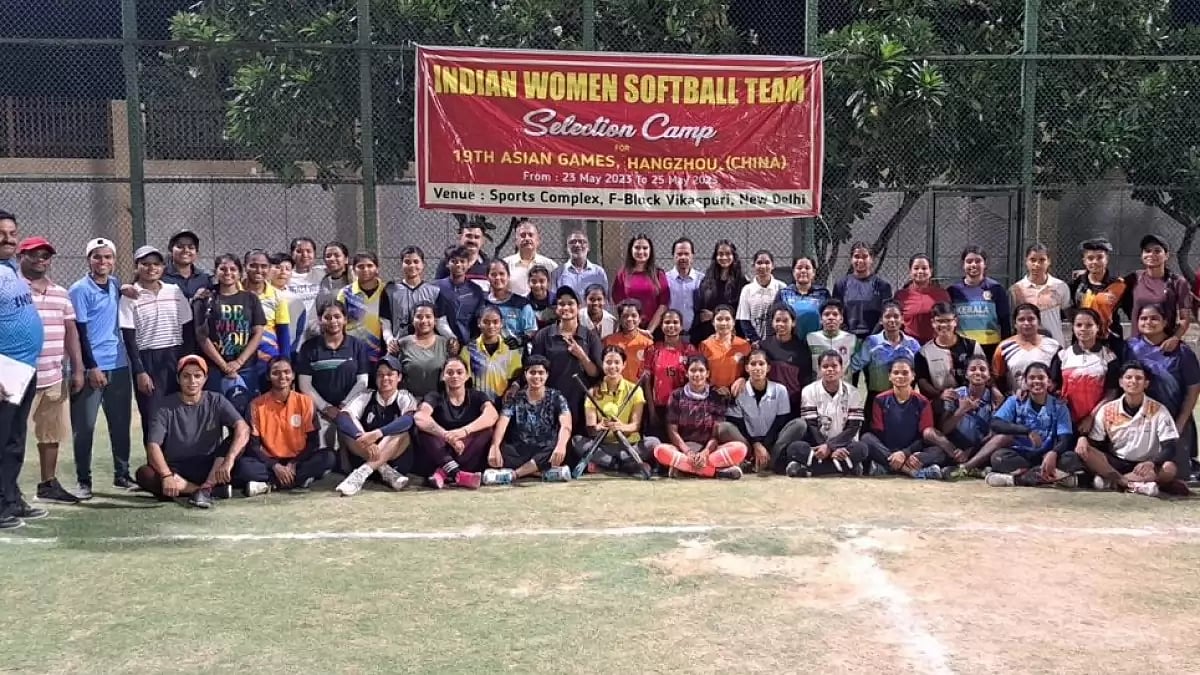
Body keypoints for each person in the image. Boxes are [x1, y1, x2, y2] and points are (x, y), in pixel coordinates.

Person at [133, 355, 250, 509]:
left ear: (205, 378)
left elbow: (243, 427)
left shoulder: (216, 400)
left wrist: (229, 460)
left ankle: (199, 488)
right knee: (144, 474)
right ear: (178, 379)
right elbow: (153, 445)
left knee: (242, 457)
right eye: (186, 376)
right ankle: (204, 491)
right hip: (178, 469)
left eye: (197, 376)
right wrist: (167, 475)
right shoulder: (164, 407)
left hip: (211, 466)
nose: (192, 381)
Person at [19, 237, 84, 504]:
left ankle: (47, 485)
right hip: (18, 378)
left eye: (45, 256)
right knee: (10, 436)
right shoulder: (12, 289)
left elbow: (71, 332)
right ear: (21, 256)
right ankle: (7, 489)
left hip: (53, 377)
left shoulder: (61, 292)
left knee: (51, 433)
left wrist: (77, 369)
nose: (40, 259)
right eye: (34, 254)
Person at [70, 237, 135, 496]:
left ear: (114, 260)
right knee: (84, 428)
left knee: (120, 424)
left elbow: (121, 291)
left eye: (107, 257)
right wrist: (91, 367)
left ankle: (122, 475)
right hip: (91, 368)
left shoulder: (115, 284)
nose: (103, 261)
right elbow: (79, 332)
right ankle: (83, 481)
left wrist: (125, 288)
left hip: (119, 365)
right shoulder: (79, 289)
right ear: (89, 260)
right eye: (97, 257)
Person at [1078, 361, 1184, 497]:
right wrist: (1082, 439)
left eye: (1139, 378)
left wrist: (1152, 462)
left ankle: (1112, 483)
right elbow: (1095, 443)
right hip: (1116, 462)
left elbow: (1170, 446)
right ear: (1121, 382)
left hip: (1145, 465)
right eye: (1128, 377)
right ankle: (1129, 484)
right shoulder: (1107, 409)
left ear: (1146, 384)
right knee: (1084, 450)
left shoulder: (1159, 410)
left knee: (1169, 468)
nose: (1133, 381)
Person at [119, 245, 193, 442]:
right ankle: (156, 468)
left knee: (178, 413)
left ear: (162, 267)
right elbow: (129, 337)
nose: (151, 268)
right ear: (137, 267)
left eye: (156, 264)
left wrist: (185, 361)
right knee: (153, 417)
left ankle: (176, 466)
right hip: (148, 359)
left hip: (175, 357)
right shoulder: (130, 296)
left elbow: (187, 328)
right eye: (145, 264)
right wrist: (140, 371)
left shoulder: (174, 291)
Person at [0, 233, 47, 528]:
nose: (8, 238)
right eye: (1, 233)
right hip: (4, 371)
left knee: (14, 441)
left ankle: (10, 497)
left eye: (12, 233)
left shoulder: (9, 269)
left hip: (23, 369)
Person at [236, 357, 336, 496]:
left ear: (293, 375)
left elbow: (314, 442)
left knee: (329, 457)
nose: (282, 376)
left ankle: (271, 485)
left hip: (298, 460)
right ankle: (298, 480)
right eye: (276, 373)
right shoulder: (256, 405)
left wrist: (293, 464)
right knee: (243, 467)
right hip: (270, 462)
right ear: (268, 377)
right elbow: (253, 447)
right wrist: (275, 466)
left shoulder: (305, 402)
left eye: (287, 372)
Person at [1125, 303, 1200, 477]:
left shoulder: (1182, 351)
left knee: (1175, 474)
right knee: (1138, 466)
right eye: (1143, 318)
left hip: (1174, 420)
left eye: (1154, 318)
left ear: (1165, 322)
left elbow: (1193, 389)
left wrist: (1181, 422)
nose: (1148, 322)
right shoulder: (1130, 347)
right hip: (1140, 421)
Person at [983, 362, 1081, 488]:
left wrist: (1054, 452)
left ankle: (1018, 479)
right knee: (998, 457)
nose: (1036, 381)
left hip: (1048, 456)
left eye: (1041, 378)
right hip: (1021, 456)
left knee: (1070, 458)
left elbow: (1065, 438)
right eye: (1032, 378)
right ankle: (1053, 478)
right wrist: (1026, 431)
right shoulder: (1015, 401)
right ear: (1025, 382)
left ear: (1049, 382)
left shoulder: (1059, 406)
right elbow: (995, 423)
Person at [332, 355, 419, 496]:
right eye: (380, 375)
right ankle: (383, 469)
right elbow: (342, 417)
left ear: (399, 377)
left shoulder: (404, 396)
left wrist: (377, 433)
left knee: (402, 431)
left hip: (396, 462)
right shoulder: (365, 396)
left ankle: (361, 474)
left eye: (390, 374)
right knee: (347, 427)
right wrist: (362, 438)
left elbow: (409, 420)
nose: (385, 379)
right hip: (366, 455)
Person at [296, 301, 371, 456]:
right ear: (320, 320)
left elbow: (363, 381)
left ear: (345, 319)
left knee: (357, 447)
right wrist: (325, 407)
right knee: (324, 455)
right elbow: (305, 385)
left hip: (350, 408)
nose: (333, 321)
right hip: (320, 411)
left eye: (337, 316)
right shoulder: (309, 347)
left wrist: (344, 406)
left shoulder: (358, 346)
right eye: (327, 317)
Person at [652, 355, 748, 479]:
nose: (697, 374)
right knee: (659, 450)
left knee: (740, 448)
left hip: (710, 449)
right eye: (693, 370)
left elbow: (716, 433)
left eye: (701, 370)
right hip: (684, 448)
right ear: (686, 373)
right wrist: (688, 452)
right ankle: (716, 472)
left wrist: (705, 453)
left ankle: (685, 469)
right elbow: (672, 430)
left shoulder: (716, 396)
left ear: (707, 373)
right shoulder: (676, 396)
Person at [571, 346, 658, 478]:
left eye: (617, 362)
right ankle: (625, 466)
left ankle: (608, 466)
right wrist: (599, 427)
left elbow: (635, 426)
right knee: (577, 441)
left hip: (629, 445)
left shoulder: (635, 390)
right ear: (602, 364)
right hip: (603, 447)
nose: (612, 367)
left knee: (654, 442)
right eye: (608, 362)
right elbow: (591, 430)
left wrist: (621, 427)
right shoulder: (592, 392)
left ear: (624, 365)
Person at [484, 355, 574, 484]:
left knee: (561, 444)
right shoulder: (515, 397)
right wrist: (495, 446)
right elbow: (502, 422)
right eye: (532, 372)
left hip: (545, 448)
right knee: (500, 452)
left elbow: (566, 425)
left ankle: (515, 474)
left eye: (541, 372)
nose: (536, 376)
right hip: (521, 448)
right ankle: (539, 472)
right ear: (525, 374)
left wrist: (560, 446)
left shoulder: (557, 397)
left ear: (547, 375)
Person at [194, 254, 265, 412]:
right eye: (223, 269)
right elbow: (202, 336)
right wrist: (223, 365)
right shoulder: (205, 299)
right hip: (215, 368)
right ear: (216, 272)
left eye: (233, 269)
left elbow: (258, 331)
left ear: (240, 273)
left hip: (246, 367)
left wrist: (239, 362)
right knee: (214, 416)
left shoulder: (250, 299)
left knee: (245, 415)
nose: (228, 272)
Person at [527, 285, 602, 435]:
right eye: (561, 304)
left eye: (570, 303)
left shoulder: (589, 336)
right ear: (556, 308)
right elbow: (534, 369)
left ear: (578, 306)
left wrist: (581, 355)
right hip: (550, 402)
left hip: (580, 401)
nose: (566, 307)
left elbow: (596, 374)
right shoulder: (544, 335)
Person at [414, 358, 497, 489]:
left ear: (467, 376)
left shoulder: (477, 396)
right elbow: (420, 417)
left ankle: (443, 472)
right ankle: (457, 474)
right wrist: (446, 435)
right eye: (450, 372)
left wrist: (463, 432)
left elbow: (492, 415)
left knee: (487, 430)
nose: (455, 376)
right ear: (443, 376)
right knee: (423, 431)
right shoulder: (435, 396)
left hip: (466, 452)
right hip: (440, 450)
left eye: (459, 372)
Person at [784, 350, 868, 478]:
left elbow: (853, 427)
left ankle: (809, 470)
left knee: (862, 449)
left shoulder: (853, 393)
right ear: (819, 369)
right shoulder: (809, 391)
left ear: (842, 369)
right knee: (794, 448)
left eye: (834, 366)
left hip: (843, 445)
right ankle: (844, 468)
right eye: (825, 366)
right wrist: (825, 448)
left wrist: (831, 447)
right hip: (817, 446)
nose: (830, 370)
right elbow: (811, 425)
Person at [860, 359, 947, 479]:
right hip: (888, 450)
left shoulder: (923, 402)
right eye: (896, 373)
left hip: (911, 451)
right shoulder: (880, 400)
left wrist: (905, 453)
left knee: (939, 452)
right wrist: (895, 454)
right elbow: (878, 433)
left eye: (905, 373)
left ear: (913, 376)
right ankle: (910, 471)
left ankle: (887, 467)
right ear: (889, 376)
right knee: (866, 438)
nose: (900, 376)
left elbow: (924, 436)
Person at [726, 350, 808, 473]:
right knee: (724, 427)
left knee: (800, 424)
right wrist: (756, 445)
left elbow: (780, 423)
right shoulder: (738, 390)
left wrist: (764, 447)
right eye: (753, 364)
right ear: (747, 368)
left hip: (773, 442)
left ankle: (768, 460)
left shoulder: (780, 390)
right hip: (749, 442)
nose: (757, 368)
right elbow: (739, 424)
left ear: (768, 367)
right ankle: (750, 459)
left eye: (761, 363)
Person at [1049, 308, 1119, 433]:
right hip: (1065, 418)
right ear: (1073, 328)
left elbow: (1111, 393)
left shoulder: (1109, 357)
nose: (1083, 329)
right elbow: (1053, 386)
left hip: (1098, 419)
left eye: (1089, 325)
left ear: (1097, 327)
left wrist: (1092, 417)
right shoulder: (1062, 355)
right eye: (1079, 325)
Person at [851, 300, 921, 416]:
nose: (892, 320)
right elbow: (854, 365)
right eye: (887, 317)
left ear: (902, 319)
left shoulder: (912, 344)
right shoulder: (871, 342)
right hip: (876, 398)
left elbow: (921, 370)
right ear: (881, 320)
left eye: (896, 316)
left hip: (905, 399)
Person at [1123, 233, 1192, 348]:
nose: (1151, 254)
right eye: (1147, 251)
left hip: (1164, 347)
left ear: (1166, 255)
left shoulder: (1178, 282)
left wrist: (1175, 338)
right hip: (1137, 347)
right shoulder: (1133, 278)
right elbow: (1109, 288)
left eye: (1157, 251)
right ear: (1142, 255)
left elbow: (1185, 318)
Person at [940, 355, 1001, 480]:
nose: (978, 372)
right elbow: (944, 430)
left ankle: (971, 466)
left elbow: (992, 434)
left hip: (979, 449)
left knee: (998, 454)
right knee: (936, 450)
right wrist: (961, 410)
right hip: (955, 447)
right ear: (966, 375)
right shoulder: (955, 394)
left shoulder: (995, 398)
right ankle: (967, 465)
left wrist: (970, 451)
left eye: (983, 369)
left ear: (989, 376)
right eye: (973, 369)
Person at [914, 302, 985, 407]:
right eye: (939, 321)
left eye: (948, 321)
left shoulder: (972, 346)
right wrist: (940, 394)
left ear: (955, 321)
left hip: (973, 398)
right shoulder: (923, 353)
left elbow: (984, 371)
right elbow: (922, 381)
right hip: (942, 401)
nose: (943, 325)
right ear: (933, 322)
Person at [948, 245, 1010, 362]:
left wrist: (1003, 348)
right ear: (963, 264)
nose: (973, 265)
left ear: (985, 264)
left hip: (991, 346)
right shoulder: (953, 291)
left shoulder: (996, 289)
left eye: (978, 261)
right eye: (969, 261)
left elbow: (1005, 322)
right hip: (963, 347)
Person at [642, 309, 697, 437]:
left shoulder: (689, 350)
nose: (671, 326)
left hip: (682, 408)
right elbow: (647, 382)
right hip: (659, 408)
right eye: (667, 322)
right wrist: (651, 412)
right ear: (661, 326)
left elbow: (696, 381)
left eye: (675, 322)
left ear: (681, 326)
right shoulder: (653, 350)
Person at [1070, 237, 1126, 353]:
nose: (1094, 261)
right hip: (1081, 339)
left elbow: (1132, 310)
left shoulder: (1118, 285)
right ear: (1084, 261)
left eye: (1100, 257)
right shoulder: (1076, 283)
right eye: (1090, 258)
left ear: (1107, 259)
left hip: (1110, 342)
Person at [833, 241, 893, 346]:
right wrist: (848, 336)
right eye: (856, 256)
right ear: (851, 259)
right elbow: (837, 313)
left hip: (875, 340)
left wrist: (872, 338)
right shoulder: (841, 285)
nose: (860, 260)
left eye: (865, 256)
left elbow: (884, 316)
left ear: (872, 259)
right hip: (847, 340)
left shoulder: (883, 286)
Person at [992, 303, 1061, 395]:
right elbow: (997, 379)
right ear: (1015, 324)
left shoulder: (1054, 347)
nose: (1026, 323)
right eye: (1021, 319)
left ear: (1039, 322)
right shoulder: (1004, 348)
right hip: (1016, 402)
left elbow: (1059, 379)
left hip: (1047, 402)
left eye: (1031, 319)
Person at [336, 252, 392, 365]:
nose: (365, 269)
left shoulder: (388, 290)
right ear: (353, 269)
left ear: (377, 268)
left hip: (383, 353)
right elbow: (339, 322)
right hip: (354, 352)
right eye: (360, 266)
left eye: (370, 266)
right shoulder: (346, 293)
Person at [1010, 243, 1071, 346]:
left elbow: (1069, 316)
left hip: (1055, 345)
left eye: (1042, 260)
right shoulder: (1016, 289)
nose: (1037, 264)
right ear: (1026, 261)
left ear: (1049, 261)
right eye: (1032, 260)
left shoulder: (1060, 286)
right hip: (1026, 346)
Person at [461, 306, 522, 403]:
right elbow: (464, 380)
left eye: (495, 322)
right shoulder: (468, 349)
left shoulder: (511, 350)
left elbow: (516, 378)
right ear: (479, 323)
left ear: (501, 323)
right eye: (486, 322)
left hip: (504, 403)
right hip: (477, 404)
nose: (491, 326)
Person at [612, 234, 670, 334]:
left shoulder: (658, 274)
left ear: (650, 251)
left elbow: (663, 305)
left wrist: (649, 330)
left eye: (645, 248)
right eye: (637, 248)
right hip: (629, 328)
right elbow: (619, 303)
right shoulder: (622, 273)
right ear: (631, 250)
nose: (641, 251)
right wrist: (632, 325)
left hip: (653, 330)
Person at [396, 302, 457, 398]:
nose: (424, 320)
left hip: (439, 402)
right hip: (409, 402)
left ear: (435, 321)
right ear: (412, 320)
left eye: (428, 316)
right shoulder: (402, 344)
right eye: (419, 317)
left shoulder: (446, 344)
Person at [243, 249, 291, 370]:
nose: (259, 270)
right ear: (245, 267)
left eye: (264, 266)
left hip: (268, 358)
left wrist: (284, 363)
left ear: (269, 268)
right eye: (253, 266)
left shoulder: (278, 296)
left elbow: (283, 332)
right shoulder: (234, 292)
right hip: (240, 357)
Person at [758, 306, 812, 412]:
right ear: (772, 323)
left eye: (785, 320)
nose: (781, 324)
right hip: (768, 403)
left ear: (793, 323)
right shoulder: (764, 346)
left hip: (793, 404)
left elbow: (805, 380)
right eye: (777, 320)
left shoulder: (801, 349)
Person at [384, 245, 441, 345]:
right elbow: (385, 321)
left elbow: (439, 322)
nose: (412, 266)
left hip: (427, 345)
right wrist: (389, 340)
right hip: (399, 345)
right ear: (401, 264)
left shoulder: (434, 291)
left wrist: (451, 338)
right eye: (407, 262)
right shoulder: (391, 291)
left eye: (416, 261)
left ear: (423, 264)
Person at [692, 239, 746, 344]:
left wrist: (715, 315)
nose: (724, 257)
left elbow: (741, 310)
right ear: (715, 257)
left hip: (731, 333)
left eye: (728, 254)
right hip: (708, 332)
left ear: (734, 256)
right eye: (720, 254)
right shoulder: (707, 280)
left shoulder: (742, 281)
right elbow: (702, 308)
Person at [434, 245, 487, 344]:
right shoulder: (435, 287)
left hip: (466, 343)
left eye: (462, 261)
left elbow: (478, 320)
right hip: (440, 343)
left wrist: (471, 343)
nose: (458, 265)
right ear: (447, 264)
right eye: (454, 261)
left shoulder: (476, 290)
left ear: (468, 264)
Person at [894, 254, 950, 344]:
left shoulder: (942, 294)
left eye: (924, 268)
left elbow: (948, 321)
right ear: (910, 271)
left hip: (935, 344)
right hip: (909, 345)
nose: (920, 271)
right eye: (916, 268)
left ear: (931, 271)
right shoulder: (901, 295)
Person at [699, 305, 751, 397]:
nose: (723, 323)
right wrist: (714, 389)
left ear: (734, 322)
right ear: (713, 322)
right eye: (719, 319)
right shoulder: (704, 345)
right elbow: (699, 372)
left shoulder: (744, 345)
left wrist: (744, 379)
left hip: (738, 396)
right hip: (711, 396)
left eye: (727, 319)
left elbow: (751, 371)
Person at [772, 255, 829, 340]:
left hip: (817, 342)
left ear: (813, 272)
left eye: (807, 268)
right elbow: (773, 318)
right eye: (799, 268)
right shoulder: (784, 293)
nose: (803, 271)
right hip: (791, 343)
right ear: (793, 272)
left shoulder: (823, 293)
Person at [736, 249, 785, 345]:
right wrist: (755, 340)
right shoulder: (747, 290)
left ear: (773, 265)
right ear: (753, 266)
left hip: (777, 341)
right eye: (759, 263)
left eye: (767, 263)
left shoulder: (781, 287)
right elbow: (744, 319)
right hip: (755, 343)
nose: (763, 266)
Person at [483, 259, 538, 345]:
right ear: (487, 277)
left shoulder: (522, 304)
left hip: (516, 354)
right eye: (493, 274)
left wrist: (520, 340)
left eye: (501, 274)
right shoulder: (482, 304)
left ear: (508, 276)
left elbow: (532, 330)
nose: (498, 278)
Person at [503, 218, 558, 296]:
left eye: (531, 235)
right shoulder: (505, 265)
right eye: (522, 235)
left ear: (538, 240)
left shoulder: (550, 265)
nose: (527, 238)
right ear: (515, 241)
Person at [603, 299, 654, 381]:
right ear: (619, 319)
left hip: (638, 390)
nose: (629, 319)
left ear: (640, 319)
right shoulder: (609, 341)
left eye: (634, 315)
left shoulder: (647, 343)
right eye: (625, 316)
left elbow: (649, 374)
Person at [285, 237, 324, 344]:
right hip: (292, 330)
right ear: (292, 253)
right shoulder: (285, 276)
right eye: (299, 251)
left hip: (315, 331)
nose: (304, 255)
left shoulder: (322, 273)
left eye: (308, 251)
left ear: (315, 254)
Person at [806, 298, 856, 378]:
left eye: (835, 314)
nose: (831, 318)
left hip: (843, 386)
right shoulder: (810, 338)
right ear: (821, 319)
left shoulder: (852, 339)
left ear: (841, 319)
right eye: (827, 314)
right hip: (818, 386)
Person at [553, 229, 609, 300]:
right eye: (572, 242)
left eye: (582, 242)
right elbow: (554, 300)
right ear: (567, 248)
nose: (577, 245)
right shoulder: (557, 273)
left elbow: (605, 299)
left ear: (588, 247)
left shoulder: (599, 272)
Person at [665, 237, 704, 341]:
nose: (683, 257)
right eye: (679, 254)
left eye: (686, 254)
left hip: (696, 333)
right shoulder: (664, 279)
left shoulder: (702, 280)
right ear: (673, 256)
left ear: (692, 256)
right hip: (670, 335)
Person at [435, 219, 489, 288]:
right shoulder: (447, 262)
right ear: (460, 237)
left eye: (477, 237)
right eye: (468, 236)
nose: (472, 240)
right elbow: (437, 289)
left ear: (483, 241)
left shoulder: (488, 265)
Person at [162, 230, 212, 300]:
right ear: (171, 249)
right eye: (180, 246)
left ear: (196, 252)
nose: (186, 250)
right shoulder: (161, 277)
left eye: (191, 247)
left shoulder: (204, 278)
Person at [313, 241, 354, 320]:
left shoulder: (354, 280)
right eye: (328, 256)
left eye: (337, 255)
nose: (332, 259)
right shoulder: (322, 280)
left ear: (346, 259)